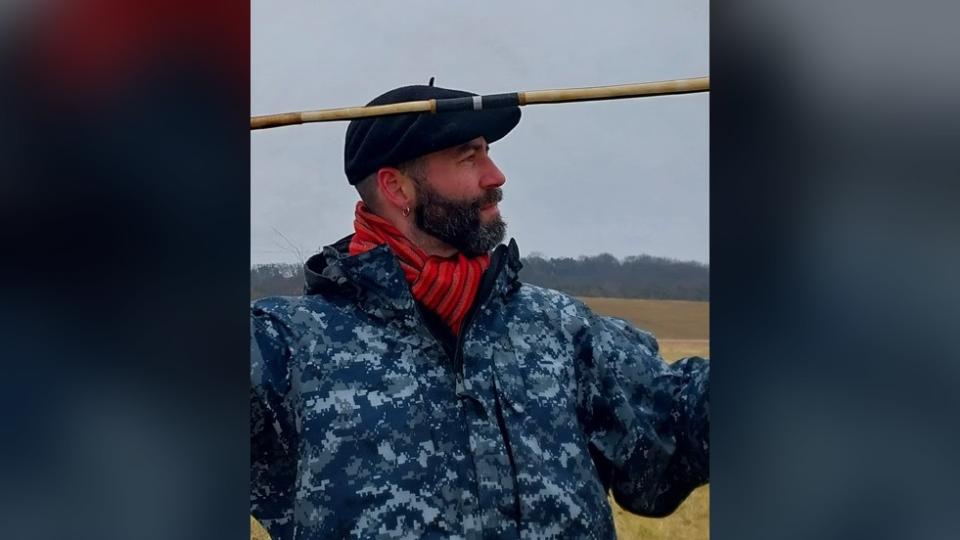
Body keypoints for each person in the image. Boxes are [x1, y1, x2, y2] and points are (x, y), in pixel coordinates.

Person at [250, 83, 709, 540]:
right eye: (469, 157)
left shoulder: (561, 329)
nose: (496, 176)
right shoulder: (287, 346)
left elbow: (670, 433)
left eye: (486, 152)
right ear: (396, 187)